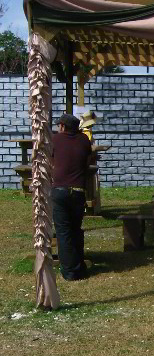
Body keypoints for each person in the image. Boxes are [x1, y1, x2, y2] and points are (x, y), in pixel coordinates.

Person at [52, 113, 92, 280]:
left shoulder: (55, 140)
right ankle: (79, 266)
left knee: (63, 231)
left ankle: (69, 271)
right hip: (78, 191)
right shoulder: (84, 140)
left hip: (60, 191)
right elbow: (88, 160)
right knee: (76, 229)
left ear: (62, 126)